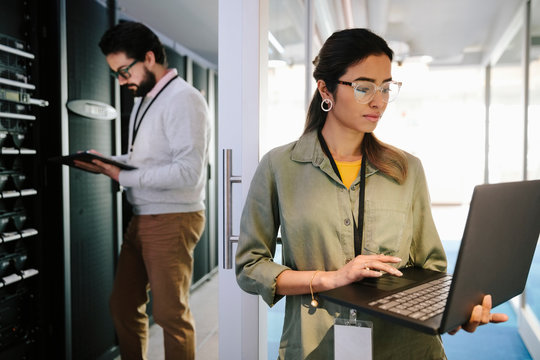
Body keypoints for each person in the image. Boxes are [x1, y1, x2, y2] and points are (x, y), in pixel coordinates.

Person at [235, 28, 507, 359]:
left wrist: (453, 314)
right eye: (364, 87)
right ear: (326, 89)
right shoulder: (280, 166)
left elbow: (431, 266)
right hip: (317, 346)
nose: (378, 100)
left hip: (404, 347)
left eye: (386, 87)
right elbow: (250, 266)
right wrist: (329, 279)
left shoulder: (407, 168)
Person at [74, 21, 210, 360]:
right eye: (116, 74)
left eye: (124, 71)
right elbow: (145, 160)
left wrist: (120, 176)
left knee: (169, 316)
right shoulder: (146, 98)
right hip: (143, 214)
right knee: (122, 306)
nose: (122, 81)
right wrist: (107, 161)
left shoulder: (184, 100)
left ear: (149, 57)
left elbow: (188, 173)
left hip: (173, 218)